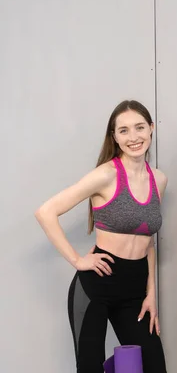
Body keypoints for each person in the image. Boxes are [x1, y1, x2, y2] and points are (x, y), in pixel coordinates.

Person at [35, 100, 168, 372]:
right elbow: (46, 212)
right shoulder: (106, 175)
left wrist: (151, 293)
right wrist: (77, 260)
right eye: (124, 131)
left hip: (135, 289)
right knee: (90, 367)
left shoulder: (159, 179)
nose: (133, 137)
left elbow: (148, 238)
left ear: (151, 129)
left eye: (140, 127)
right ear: (115, 137)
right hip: (97, 285)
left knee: (154, 365)